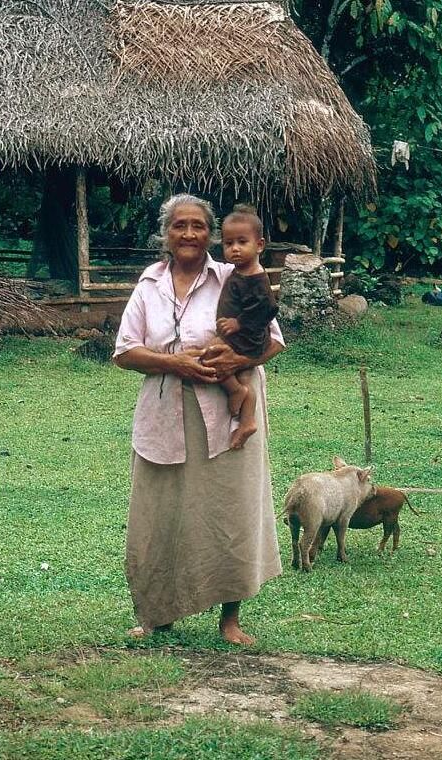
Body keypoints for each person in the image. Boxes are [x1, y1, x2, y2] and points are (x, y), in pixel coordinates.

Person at [113, 193, 284, 645]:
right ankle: (157, 615)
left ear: (211, 234)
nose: (189, 234)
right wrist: (176, 364)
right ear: (165, 234)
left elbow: (274, 339)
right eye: (179, 226)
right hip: (166, 409)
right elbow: (125, 351)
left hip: (228, 410)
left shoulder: (235, 274)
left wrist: (232, 362)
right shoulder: (149, 283)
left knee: (229, 510)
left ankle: (230, 618)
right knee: (159, 514)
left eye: (198, 226)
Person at [204, 205, 277, 450]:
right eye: (228, 243)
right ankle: (247, 420)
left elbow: (267, 309)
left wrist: (239, 322)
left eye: (242, 242)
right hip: (241, 335)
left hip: (247, 337)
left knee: (211, 352)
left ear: (259, 245)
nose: (234, 249)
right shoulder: (239, 271)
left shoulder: (257, 277)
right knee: (225, 363)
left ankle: (235, 391)